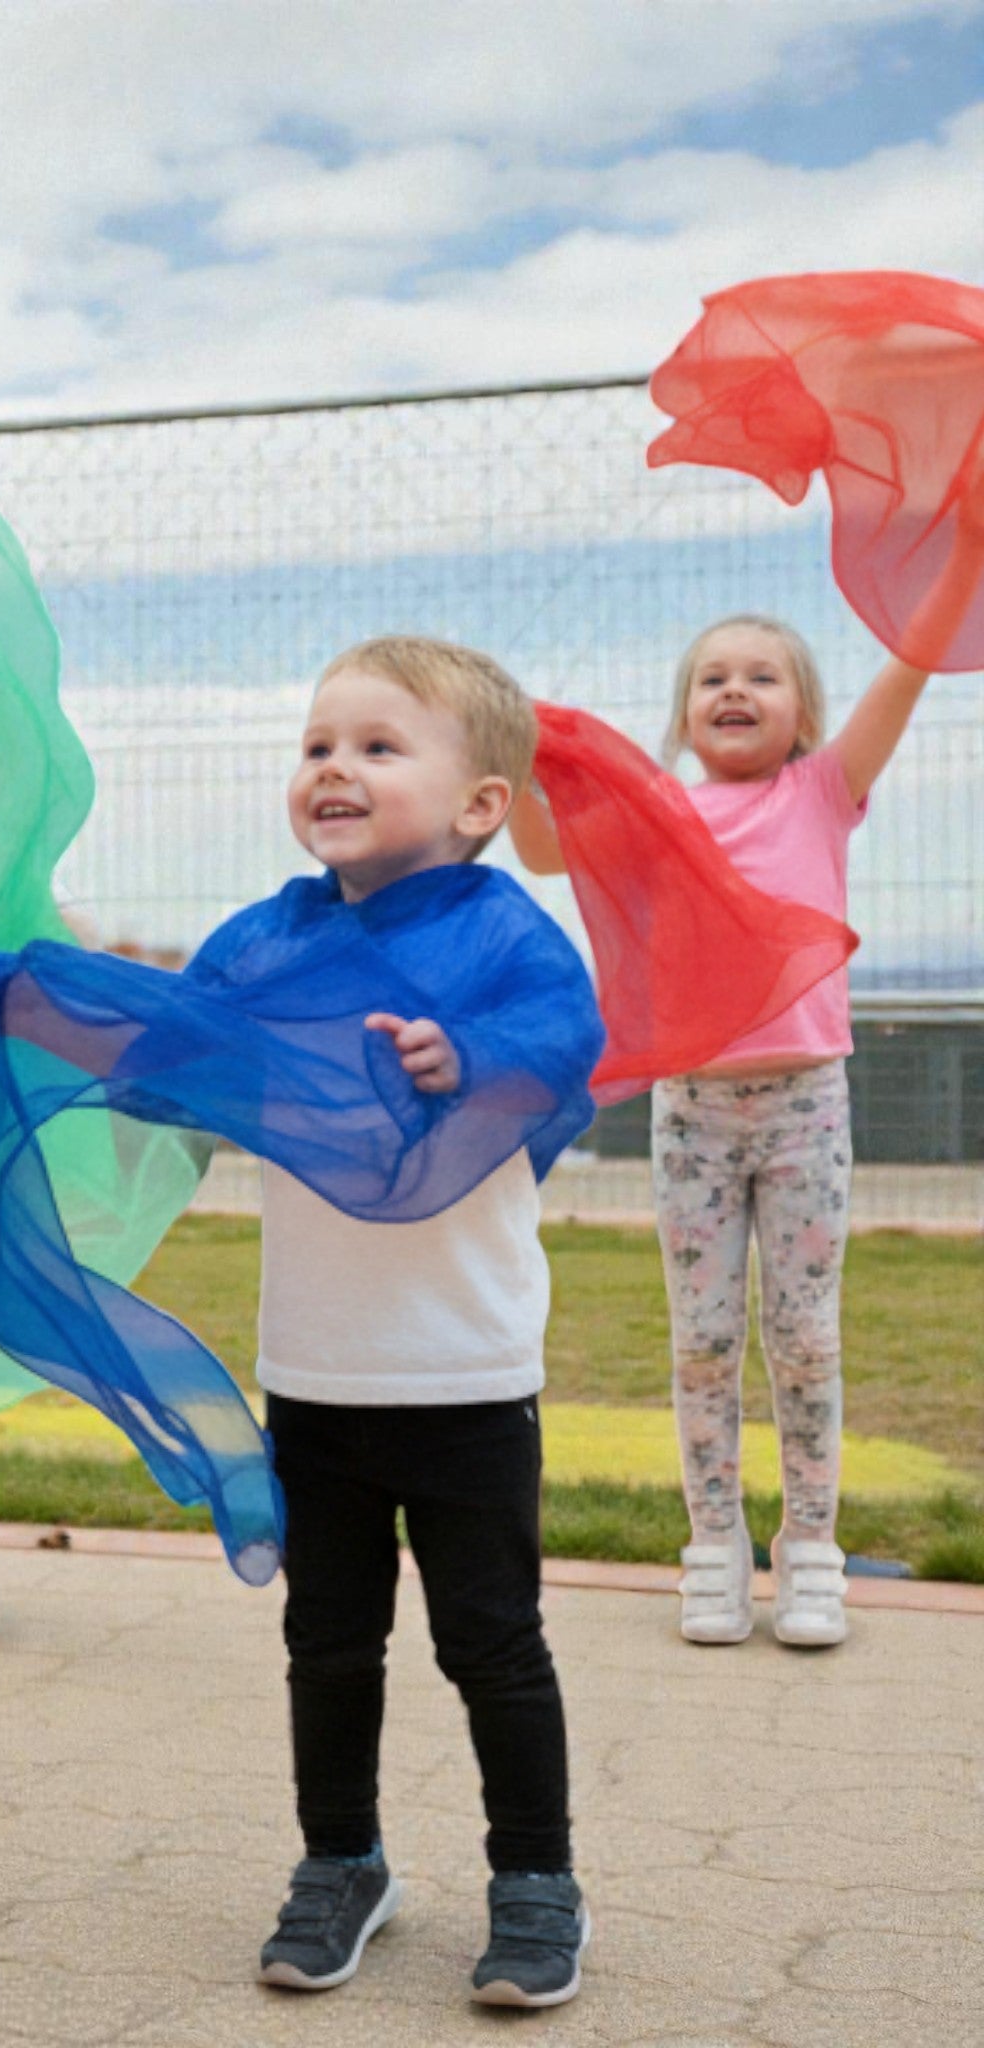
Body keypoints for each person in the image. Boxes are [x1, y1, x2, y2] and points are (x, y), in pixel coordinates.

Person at [257, 638, 597, 2010]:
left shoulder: (510, 934)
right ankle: (343, 1862)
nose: (335, 766)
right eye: (318, 742)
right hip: (316, 1376)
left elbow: (565, 1043)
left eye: (379, 746)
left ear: (481, 805)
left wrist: (472, 1063)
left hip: (461, 1371)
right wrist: (48, 998)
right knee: (328, 1644)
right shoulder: (274, 934)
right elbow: (182, 1034)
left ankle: (537, 1883)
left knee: (491, 1643)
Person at [512, 618, 933, 1650]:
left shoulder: (821, 793)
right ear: (682, 712)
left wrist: (953, 568)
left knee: (801, 1335)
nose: (732, 689)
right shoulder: (657, 812)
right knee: (701, 1340)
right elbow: (534, 845)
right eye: (709, 677)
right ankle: (712, 1549)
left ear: (802, 713)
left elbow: (909, 667)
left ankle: (810, 1550)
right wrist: (519, 746)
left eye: (760, 676)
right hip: (690, 1110)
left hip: (802, 1105)